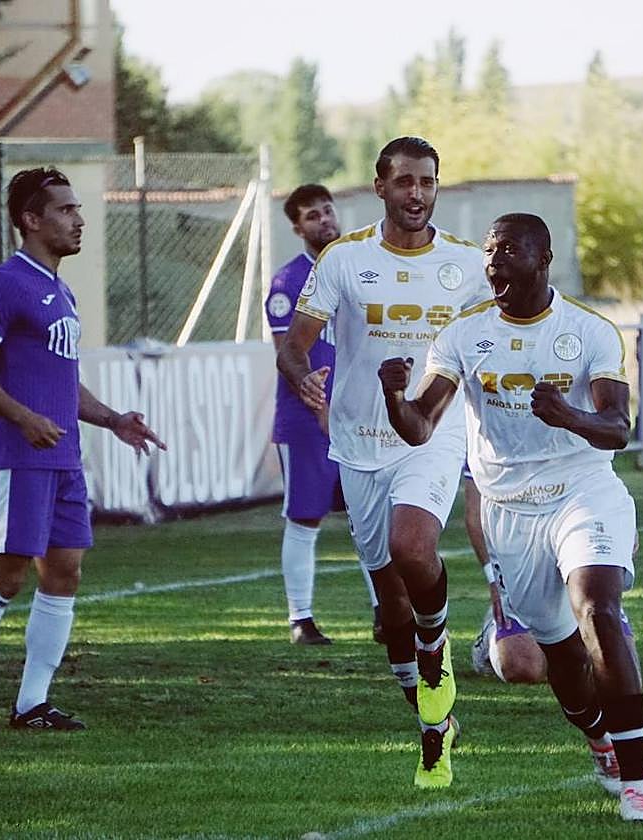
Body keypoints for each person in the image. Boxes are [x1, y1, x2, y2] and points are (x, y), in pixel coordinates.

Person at [380, 212, 643, 822]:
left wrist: (569, 417)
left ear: (543, 259)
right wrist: (392, 396)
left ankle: (638, 786)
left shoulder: (589, 330)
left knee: (599, 609)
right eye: (489, 252)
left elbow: (618, 428)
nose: (494, 262)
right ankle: (597, 739)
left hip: (584, 491)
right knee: (556, 655)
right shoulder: (461, 335)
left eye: (508, 250)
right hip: (510, 514)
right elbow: (420, 427)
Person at [0, 167, 165, 732]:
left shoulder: (61, 290)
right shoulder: (5, 284)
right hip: (19, 455)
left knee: (65, 572)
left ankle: (32, 703)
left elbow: (62, 378)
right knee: (5, 577)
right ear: (30, 220)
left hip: (62, 456)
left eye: (77, 209)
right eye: (65, 210)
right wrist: (23, 417)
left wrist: (112, 419)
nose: (78, 220)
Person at [277, 137, 487, 788]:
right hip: (358, 440)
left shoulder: (465, 264)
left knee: (412, 545)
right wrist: (303, 377)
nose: (417, 194)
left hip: (432, 431)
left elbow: (490, 341)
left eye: (428, 182)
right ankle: (429, 712)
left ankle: (438, 645)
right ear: (380, 187)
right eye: (404, 182)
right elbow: (295, 343)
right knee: (391, 601)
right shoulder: (344, 259)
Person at [266, 183, 380, 645]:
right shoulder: (287, 282)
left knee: (369, 516)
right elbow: (286, 354)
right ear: (297, 227)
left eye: (328, 211)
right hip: (306, 420)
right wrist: (320, 407)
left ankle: (384, 612)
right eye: (313, 216)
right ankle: (302, 619)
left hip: (357, 416)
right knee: (305, 517)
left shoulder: (358, 268)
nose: (325, 221)